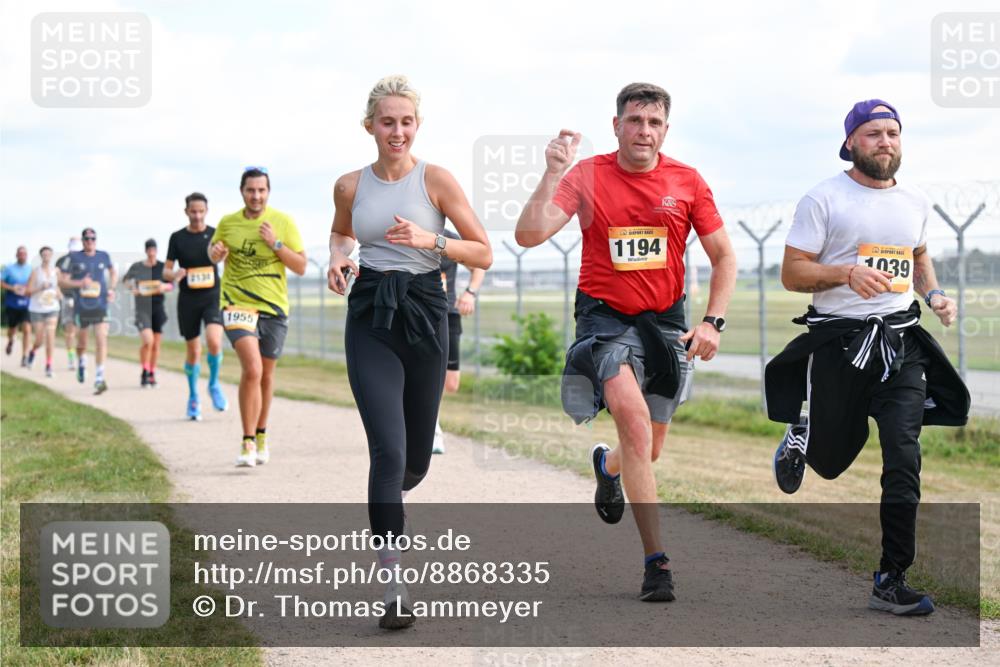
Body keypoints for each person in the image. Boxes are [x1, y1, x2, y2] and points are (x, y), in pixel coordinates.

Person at [515, 82, 737, 602]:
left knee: (648, 448)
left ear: (666, 130)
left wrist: (713, 322)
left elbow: (724, 256)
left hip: (665, 325)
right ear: (616, 126)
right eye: (634, 120)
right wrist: (552, 172)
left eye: (654, 122)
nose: (644, 131)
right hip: (605, 323)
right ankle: (657, 562)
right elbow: (529, 235)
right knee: (635, 425)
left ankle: (607, 466)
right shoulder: (587, 175)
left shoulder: (687, 181)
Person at [767, 99, 969, 617]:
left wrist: (934, 294)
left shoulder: (915, 200)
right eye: (874, 133)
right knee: (831, 460)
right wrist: (845, 273)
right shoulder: (824, 199)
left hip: (900, 345)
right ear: (851, 142)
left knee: (903, 452)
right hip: (840, 346)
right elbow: (792, 273)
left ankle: (891, 577)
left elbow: (917, 255)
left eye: (893, 133)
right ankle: (803, 435)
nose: (885, 141)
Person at [327, 75, 492, 629]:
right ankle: (393, 585)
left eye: (405, 121)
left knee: (415, 462)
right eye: (386, 121)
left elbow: (484, 252)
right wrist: (338, 257)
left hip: (425, 313)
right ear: (369, 126)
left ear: (416, 125)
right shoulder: (349, 185)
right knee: (389, 453)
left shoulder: (436, 180)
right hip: (371, 315)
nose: (396, 131)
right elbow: (341, 234)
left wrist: (432, 241)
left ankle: (390, 508)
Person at [210, 168, 306, 466]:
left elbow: (301, 266)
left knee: (265, 375)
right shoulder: (228, 223)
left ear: (268, 192)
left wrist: (276, 243)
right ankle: (248, 441)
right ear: (242, 191)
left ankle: (261, 433)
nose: (256, 196)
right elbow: (214, 253)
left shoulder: (283, 222)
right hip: (236, 304)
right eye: (250, 190)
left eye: (261, 190)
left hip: (274, 308)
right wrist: (216, 254)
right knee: (252, 369)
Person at [164, 192, 228, 420]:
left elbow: (227, 259)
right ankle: (193, 397)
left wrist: (224, 256)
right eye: (193, 211)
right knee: (194, 351)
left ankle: (213, 384)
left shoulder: (215, 235)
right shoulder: (177, 238)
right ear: (186, 212)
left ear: (206, 211)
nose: (198, 216)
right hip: (188, 300)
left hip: (212, 296)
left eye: (201, 211)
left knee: (214, 341)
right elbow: (166, 270)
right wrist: (174, 274)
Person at [432, 227, 487, 454]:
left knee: (451, 383)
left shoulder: (447, 237)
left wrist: (470, 293)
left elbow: (479, 265)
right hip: (420, 313)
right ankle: (432, 429)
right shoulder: (408, 231)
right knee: (427, 374)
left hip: (448, 313)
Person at [59, 227, 117, 394]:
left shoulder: (103, 256)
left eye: (93, 239)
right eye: (87, 239)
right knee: (82, 342)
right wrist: (80, 283)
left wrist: (111, 289)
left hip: (100, 305)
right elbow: (62, 281)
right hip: (82, 306)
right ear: (83, 241)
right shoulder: (74, 258)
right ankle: (82, 363)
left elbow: (113, 272)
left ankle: (99, 377)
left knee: (101, 339)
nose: (90, 242)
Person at [123, 239, 172, 388]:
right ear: (146, 251)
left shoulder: (162, 267)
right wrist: (132, 288)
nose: (151, 253)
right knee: (148, 341)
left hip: (158, 308)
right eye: (149, 250)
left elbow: (172, 283)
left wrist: (164, 287)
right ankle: (144, 370)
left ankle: (151, 373)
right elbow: (126, 280)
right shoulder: (137, 267)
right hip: (142, 309)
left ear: (156, 251)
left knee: (156, 345)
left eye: (153, 250)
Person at [26, 246, 61, 376]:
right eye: (44, 254)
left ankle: (49, 365)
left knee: (50, 335)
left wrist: (61, 296)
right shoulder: (35, 272)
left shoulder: (56, 271)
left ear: (51, 256)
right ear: (41, 256)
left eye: (48, 254)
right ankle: (33, 351)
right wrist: (40, 287)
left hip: (52, 308)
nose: (46, 256)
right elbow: (28, 291)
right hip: (37, 309)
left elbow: (57, 287)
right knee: (40, 339)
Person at [2, 246, 33, 366]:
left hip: (26, 304)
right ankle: (11, 340)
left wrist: (28, 289)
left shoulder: (31, 269)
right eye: (20, 254)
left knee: (27, 329)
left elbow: (34, 284)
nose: (22, 256)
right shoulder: (9, 268)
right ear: (16, 255)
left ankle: (25, 356)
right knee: (12, 329)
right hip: (12, 304)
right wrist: (12, 288)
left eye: (24, 254)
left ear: (27, 256)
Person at [55, 237, 83, 371]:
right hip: (68, 298)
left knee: (81, 331)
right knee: (70, 331)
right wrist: (61, 295)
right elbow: (57, 279)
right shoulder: (62, 261)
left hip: (83, 300)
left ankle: (80, 356)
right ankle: (71, 358)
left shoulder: (86, 260)